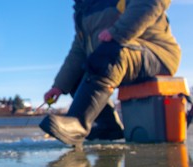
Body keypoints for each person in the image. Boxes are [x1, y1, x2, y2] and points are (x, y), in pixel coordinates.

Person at [39, 0, 181, 146]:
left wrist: (117, 33)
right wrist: (59, 86)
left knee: (109, 53)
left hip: (155, 53)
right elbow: (79, 50)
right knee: (80, 72)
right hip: (112, 57)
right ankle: (109, 127)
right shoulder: (84, 9)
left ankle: (79, 122)